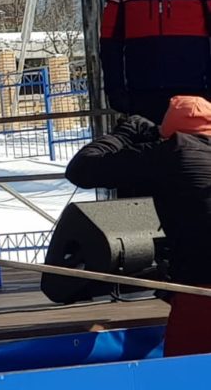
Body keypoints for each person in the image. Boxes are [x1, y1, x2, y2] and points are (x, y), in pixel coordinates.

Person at [65, 96, 211, 356]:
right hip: (196, 284)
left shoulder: (169, 153)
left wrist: (124, 133)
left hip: (199, 293)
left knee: (186, 376)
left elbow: (82, 169)